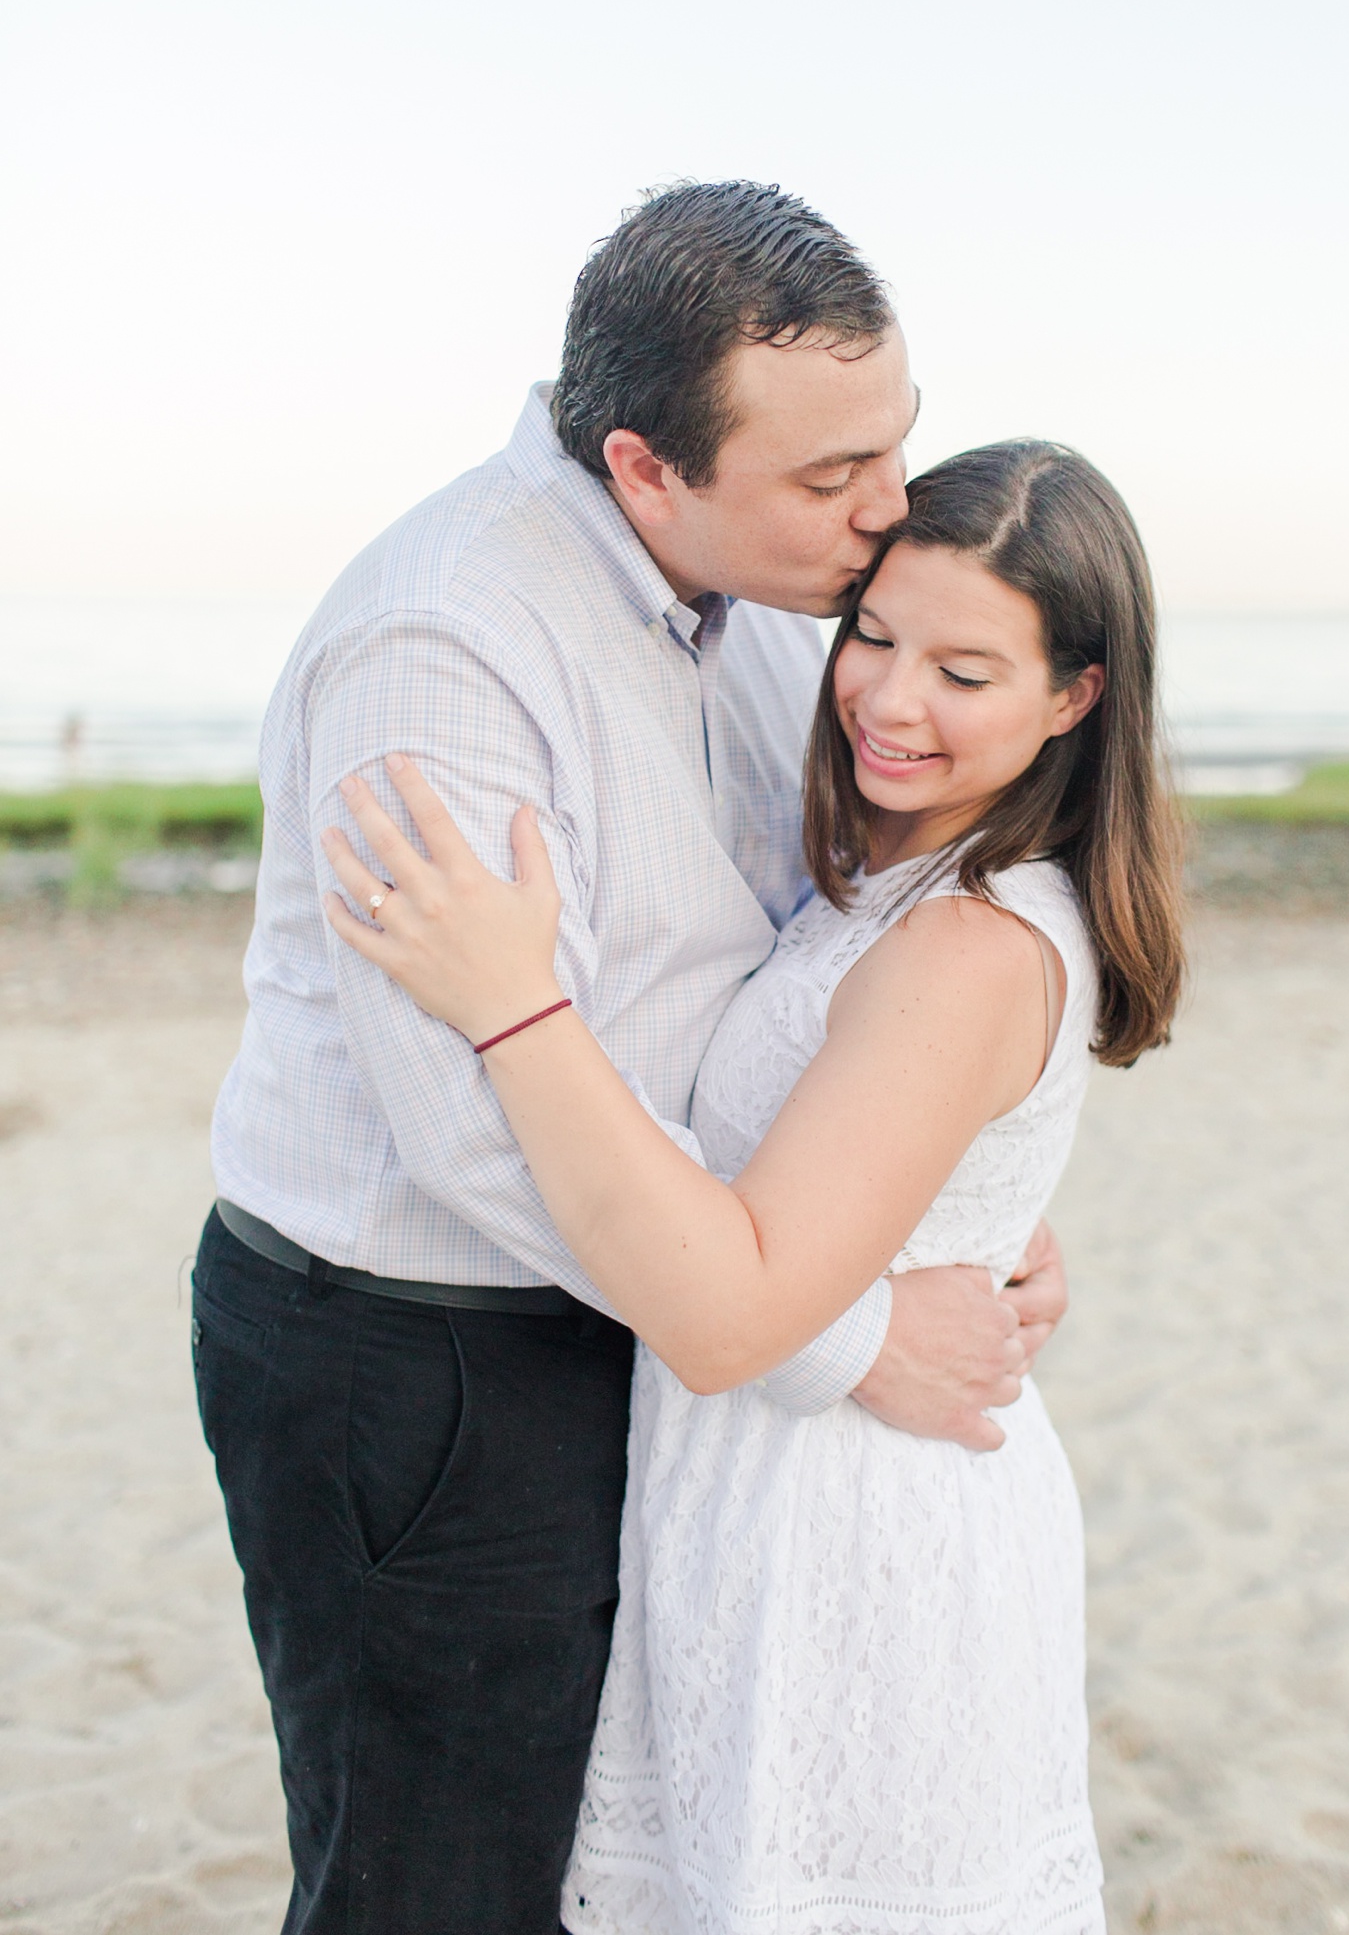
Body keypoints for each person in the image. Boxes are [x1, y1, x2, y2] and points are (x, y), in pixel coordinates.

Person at [193, 182, 1070, 1934]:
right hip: (426, 1354)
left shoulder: (766, 605)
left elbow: (801, 958)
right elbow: (473, 1133)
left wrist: (919, 1200)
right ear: (644, 463)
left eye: (889, 447)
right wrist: (845, 1322)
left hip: (635, 1332)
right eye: (831, 479)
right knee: (435, 1886)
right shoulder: (448, 641)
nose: (889, 512)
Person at [323, 438, 1186, 1934]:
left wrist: (511, 1000)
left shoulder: (970, 939)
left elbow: (728, 1316)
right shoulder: (913, 873)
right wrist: (981, 1210)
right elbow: (865, 1132)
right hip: (773, 1499)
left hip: (854, 1528)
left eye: (965, 672)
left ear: (1076, 697)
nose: (890, 698)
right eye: (874, 634)